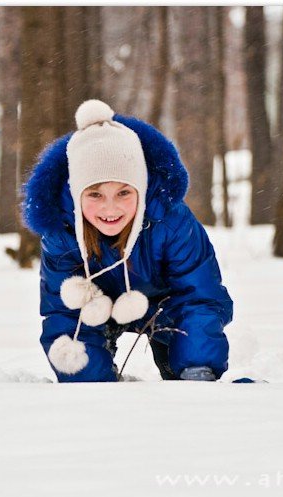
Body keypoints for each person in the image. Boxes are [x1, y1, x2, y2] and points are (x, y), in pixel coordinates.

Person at [22, 99, 233, 383]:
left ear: (142, 190)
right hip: (98, 307)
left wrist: (197, 369)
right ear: (76, 196)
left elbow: (199, 298)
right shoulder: (62, 230)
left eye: (124, 193)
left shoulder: (171, 222)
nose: (110, 209)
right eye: (95, 195)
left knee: (188, 368)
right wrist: (89, 380)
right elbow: (64, 312)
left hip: (164, 306)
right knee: (87, 376)